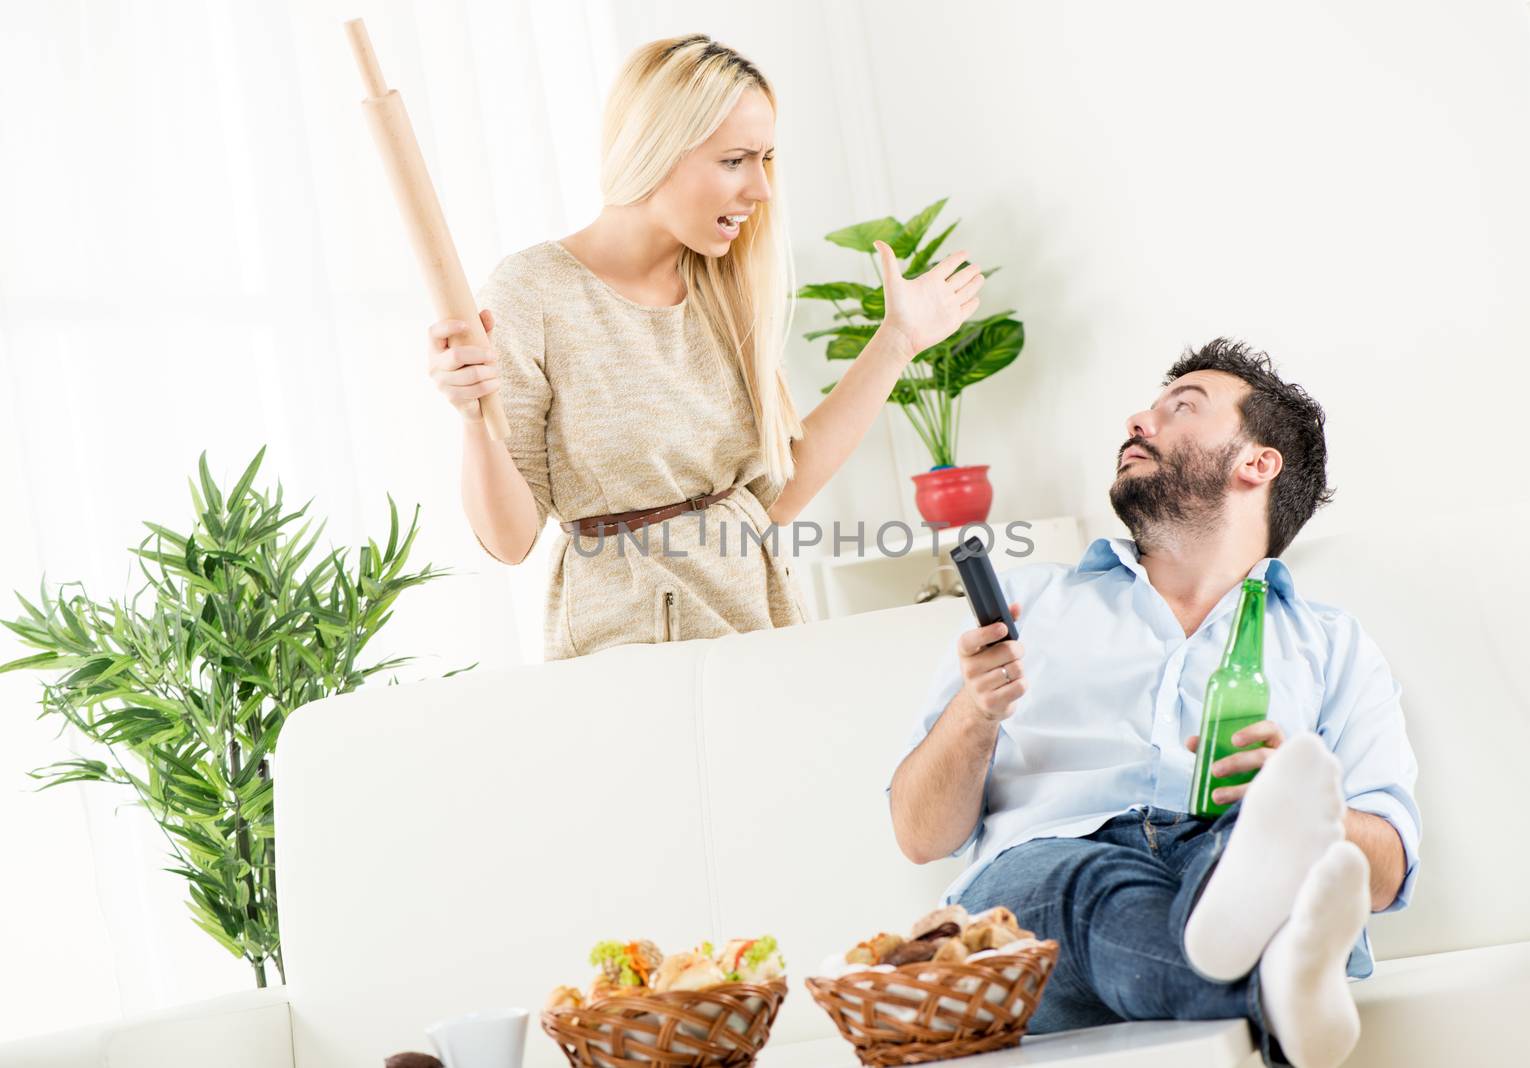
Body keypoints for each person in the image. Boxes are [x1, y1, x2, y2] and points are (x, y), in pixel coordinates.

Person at [886, 339, 1421, 1068]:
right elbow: (920, 834)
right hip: (1048, 875)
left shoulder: (1332, 645)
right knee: (1083, 885)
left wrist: (1303, 811)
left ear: (1256, 463)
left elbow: (1385, 869)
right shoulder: (1031, 605)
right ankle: (1271, 989)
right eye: (1150, 407)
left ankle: (1250, 933)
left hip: (1224, 853)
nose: (1139, 420)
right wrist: (976, 711)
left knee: (1243, 854)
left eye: (1182, 409)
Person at [425, 34, 983, 660]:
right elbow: (510, 541)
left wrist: (898, 341)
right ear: (656, 150)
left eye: (766, 159)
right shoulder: (534, 292)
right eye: (735, 160)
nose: (762, 189)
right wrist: (475, 418)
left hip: (762, 632)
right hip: (624, 658)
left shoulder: (723, 289)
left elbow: (774, 497)